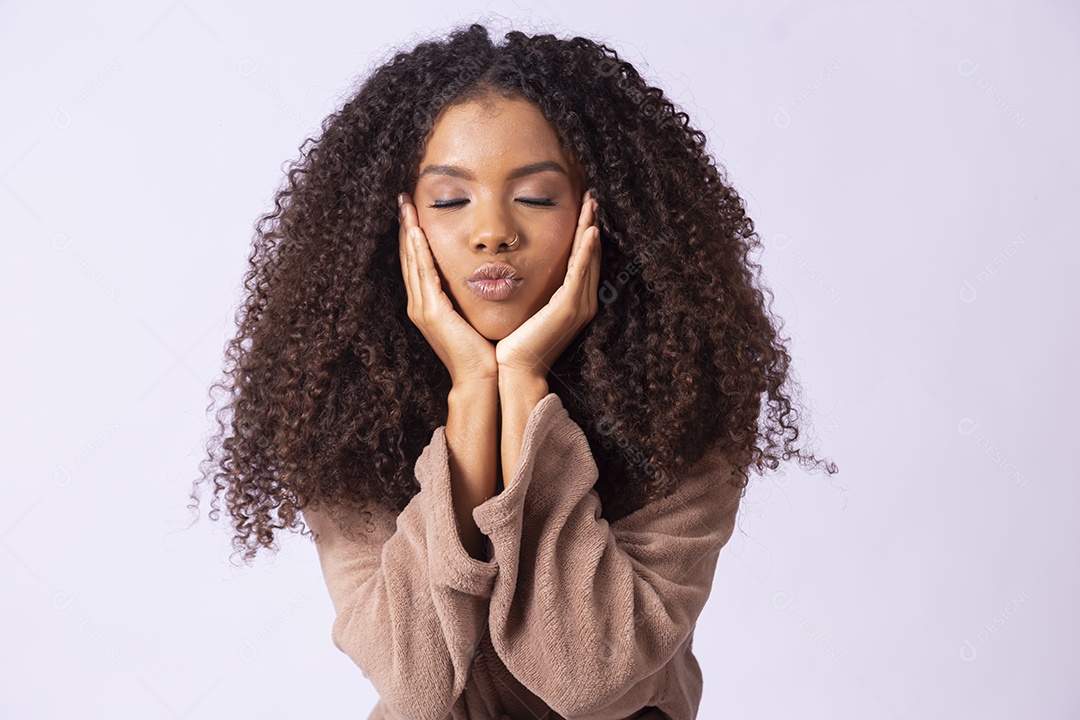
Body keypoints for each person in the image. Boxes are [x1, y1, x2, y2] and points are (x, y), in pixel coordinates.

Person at [189, 21, 837, 720]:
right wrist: (473, 394)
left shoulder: (687, 399)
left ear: (603, 215)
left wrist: (523, 384)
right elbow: (415, 684)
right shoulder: (337, 411)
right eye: (448, 200)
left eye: (534, 197)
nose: (493, 230)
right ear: (395, 225)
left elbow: (588, 674)